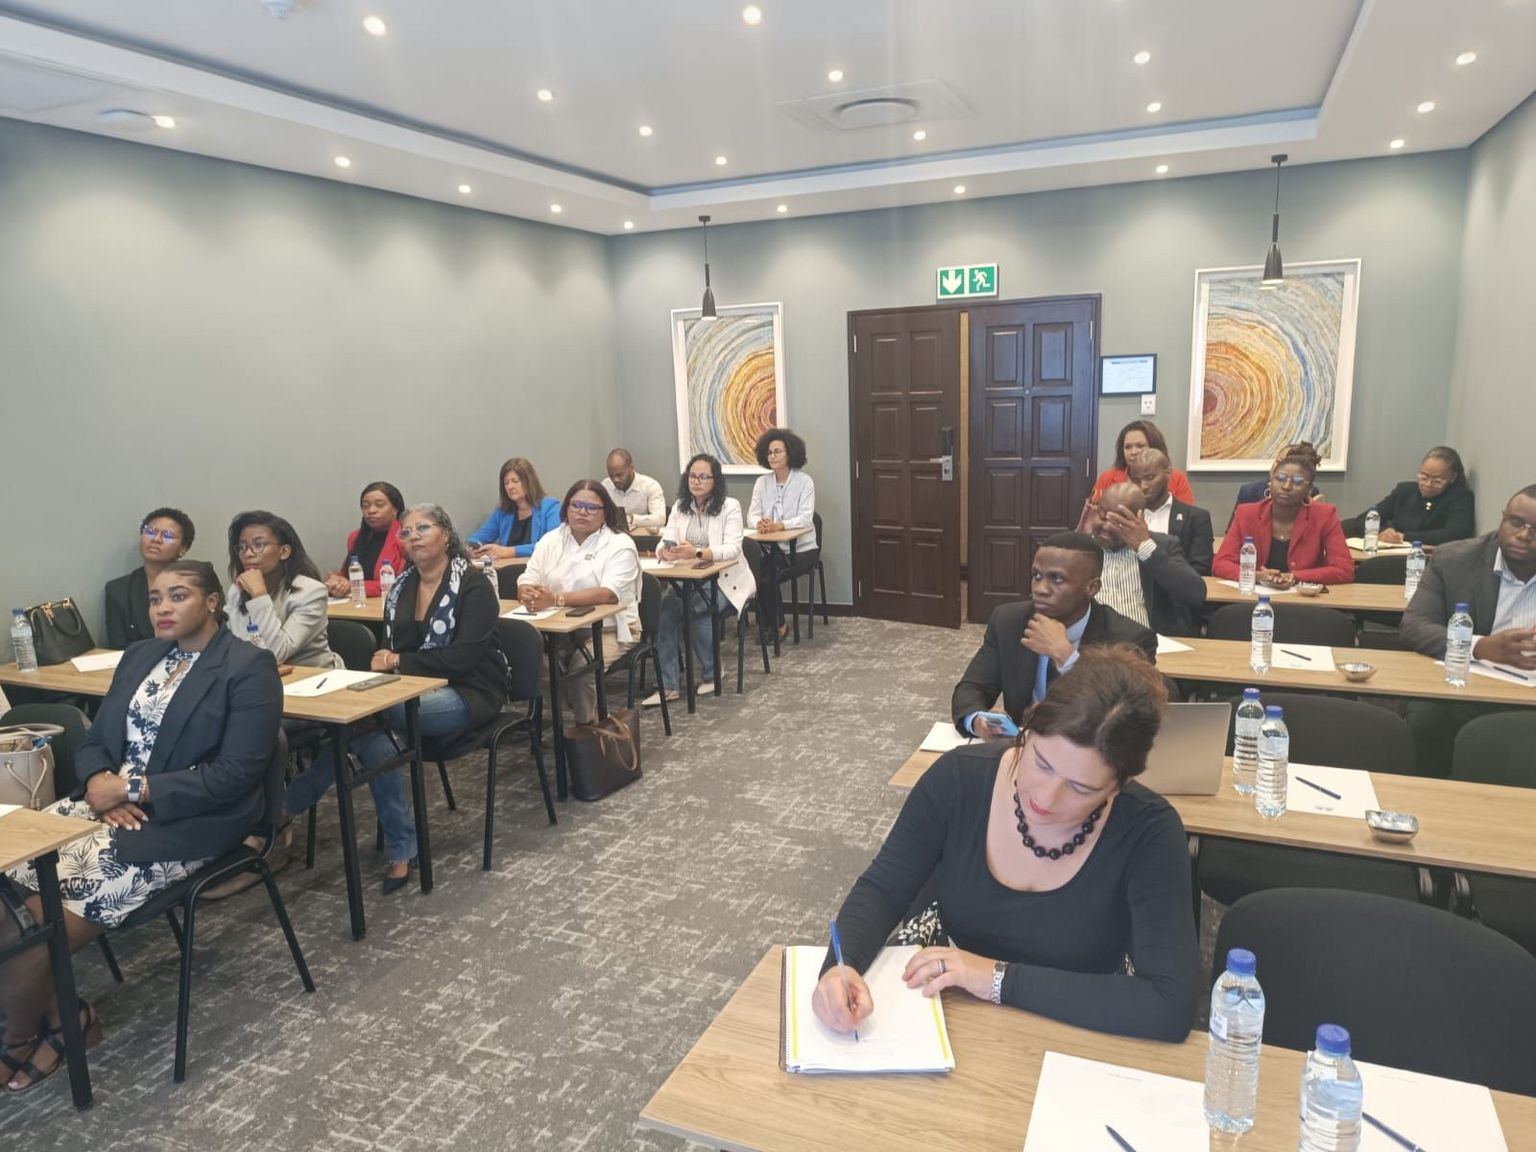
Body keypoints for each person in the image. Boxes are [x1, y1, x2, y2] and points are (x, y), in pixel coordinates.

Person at [814, 648, 1198, 1043]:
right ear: (1026, 731)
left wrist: (996, 978)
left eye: (1081, 788)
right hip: (952, 1007)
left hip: (1078, 1025)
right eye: (1042, 763)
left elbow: (1168, 1005)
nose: (1046, 798)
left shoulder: (1148, 831)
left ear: (1118, 786)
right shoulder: (958, 779)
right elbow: (883, 888)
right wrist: (840, 967)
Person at [0, 561, 281, 1091]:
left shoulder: (248, 666)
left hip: (187, 822)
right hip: (106, 805)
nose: (163, 608)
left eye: (178, 596)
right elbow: (95, 742)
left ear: (212, 602)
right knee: (7, 896)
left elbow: (235, 775)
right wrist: (98, 784)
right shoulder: (141, 655)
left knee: (32, 929)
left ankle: (20, 1039)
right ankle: (66, 1019)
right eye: (155, 598)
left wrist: (132, 790)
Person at [285, 504, 506, 892]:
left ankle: (287, 805)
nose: (413, 536)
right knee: (376, 740)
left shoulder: (473, 585)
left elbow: (461, 659)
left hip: (469, 692)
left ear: (446, 535)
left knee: (366, 719)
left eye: (424, 528)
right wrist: (394, 665)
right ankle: (403, 849)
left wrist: (399, 661)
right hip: (407, 692)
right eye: (406, 532)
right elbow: (388, 650)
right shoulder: (401, 587)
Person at [952, 532, 1157, 738]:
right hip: (1021, 747)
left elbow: (1131, 716)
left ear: (1092, 587)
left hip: (1087, 749)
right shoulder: (1009, 621)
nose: (1040, 589)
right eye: (1036, 576)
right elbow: (972, 688)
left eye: (1057, 579)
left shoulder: (1129, 638)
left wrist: (1066, 657)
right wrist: (978, 721)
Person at [1397, 485, 1536, 777]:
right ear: (1503, 518)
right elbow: (1414, 625)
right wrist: (1479, 647)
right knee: (1427, 718)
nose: (1524, 535)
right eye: (1516, 522)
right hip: (1467, 687)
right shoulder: (1454, 559)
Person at [517, 481, 641, 723]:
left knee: (581, 669)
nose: (582, 512)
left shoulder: (620, 544)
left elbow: (609, 594)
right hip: (560, 627)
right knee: (535, 663)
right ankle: (568, 718)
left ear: (605, 512)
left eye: (591, 507)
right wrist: (526, 590)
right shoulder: (551, 539)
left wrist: (556, 599)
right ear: (566, 508)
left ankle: (587, 727)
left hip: (611, 628)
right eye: (576, 505)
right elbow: (528, 576)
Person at [645, 453, 756, 706]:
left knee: (698, 609)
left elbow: (732, 549)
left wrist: (697, 552)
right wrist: (665, 551)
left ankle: (712, 673)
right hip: (688, 578)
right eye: (692, 476)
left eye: (703, 477)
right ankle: (667, 685)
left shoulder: (730, 507)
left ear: (715, 480)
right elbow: (665, 539)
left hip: (725, 580)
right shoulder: (680, 507)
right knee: (665, 612)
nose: (696, 481)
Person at [1214, 450, 1354, 587]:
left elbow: (1344, 570)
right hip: (1254, 593)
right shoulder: (1247, 513)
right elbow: (1220, 564)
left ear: (1309, 490)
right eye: (1280, 479)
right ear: (1270, 482)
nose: (1286, 486)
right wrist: (1257, 576)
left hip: (1302, 597)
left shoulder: (1324, 516)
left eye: (1297, 482)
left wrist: (1294, 577)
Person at [1083, 483, 1206, 636]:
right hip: (1092, 643)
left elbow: (1196, 594)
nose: (1107, 527)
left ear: (1139, 519)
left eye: (1118, 521)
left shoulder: (1162, 545)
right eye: (1102, 517)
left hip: (1146, 643)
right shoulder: (1080, 548)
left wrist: (1145, 548)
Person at [225, 511, 343, 669]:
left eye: (259, 545)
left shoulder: (311, 592)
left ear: (284, 552)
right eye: (242, 547)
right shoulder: (237, 590)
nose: (248, 554)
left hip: (312, 678)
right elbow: (230, 644)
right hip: (255, 674)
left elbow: (275, 654)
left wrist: (259, 596)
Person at [747, 427, 817, 639]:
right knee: (755, 575)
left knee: (767, 579)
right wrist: (760, 523)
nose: (772, 456)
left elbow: (806, 518)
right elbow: (751, 516)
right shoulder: (762, 482)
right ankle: (767, 623)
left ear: (790, 453)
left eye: (777, 451)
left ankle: (779, 627)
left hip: (802, 549)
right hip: (773, 549)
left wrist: (781, 526)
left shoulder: (804, 482)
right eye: (769, 452)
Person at [1342, 447, 1476, 547]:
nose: (1428, 484)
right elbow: (1366, 519)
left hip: (1428, 557)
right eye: (1424, 477)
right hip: (1391, 552)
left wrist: (1403, 537)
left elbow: (1455, 534)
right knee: (1348, 525)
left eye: (1437, 481)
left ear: (1452, 477)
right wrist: (1385, 533)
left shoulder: (1460, 497)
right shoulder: (1404, 491)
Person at [103, 507, 195, 648]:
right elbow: (118, 646)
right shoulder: (118, 590)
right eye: (150, 532)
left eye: (167, 535)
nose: (156, 539)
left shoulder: (198, 585)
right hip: (136, 660)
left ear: (183, 548)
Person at [1129, 449, 1214, 576]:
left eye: (1150, 478)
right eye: (1136, 480)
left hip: (1177, 586)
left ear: (1168, 473)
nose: (1143, 486)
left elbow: (1200, 569)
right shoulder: (1126, 517)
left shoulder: (1195, 518)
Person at [467, 457, 561, 561]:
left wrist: (507, 551)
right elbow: (480, 536)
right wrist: (473, 547)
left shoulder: (550, 507)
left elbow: (552, 545)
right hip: (506, 568)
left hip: (537, 568)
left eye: (515, 481)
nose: (510, 487)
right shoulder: (503, 511)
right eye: (506, 483)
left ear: (529, 481)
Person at [324, 481, 406, 598]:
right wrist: (337, 582)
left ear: (395, 509)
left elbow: (400, 583)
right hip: (359, 603)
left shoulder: (405, 537)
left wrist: (354, 586)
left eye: (379, 505)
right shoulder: (355, 537)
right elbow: (347, 574)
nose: (371, 510)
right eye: (365, 506)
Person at [1090, 421, 1194, 505]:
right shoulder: (1107, 478)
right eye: (1128, 447)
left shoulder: (1176, 478)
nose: (1133, 452)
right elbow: (1093, 515)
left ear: (1154, 447)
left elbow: (1186, 517)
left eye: (1140, 446)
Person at [1231, 441, 1325, 514]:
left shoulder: (1310, 491)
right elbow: (1232, 530)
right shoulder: (1249, 491)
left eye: (1287, 464)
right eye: (1279, 461)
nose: (1280, 468)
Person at [601, 449, 667, 534]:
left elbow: (660, 519)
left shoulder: (650, 486)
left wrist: (632, 519)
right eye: (611, 476)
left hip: (641, 537)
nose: (615, 480)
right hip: (613, 536)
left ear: (631, 468)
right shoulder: (605, 486)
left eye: (620, 475)